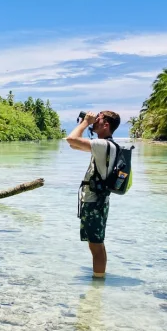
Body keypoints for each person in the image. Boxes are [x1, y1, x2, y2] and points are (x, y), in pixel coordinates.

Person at [65, 110, 121, 278]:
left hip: (95, 201)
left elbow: (71, 139)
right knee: (96, 244)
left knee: (95, 245)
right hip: (98, 200)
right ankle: (99, 280)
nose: (95, 120)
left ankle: (97, 285)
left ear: (106, 125)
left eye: (99, 119)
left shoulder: (103, 145)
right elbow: (73, 144)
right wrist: (87, 123)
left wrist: (85, 123)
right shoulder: (106, 146)